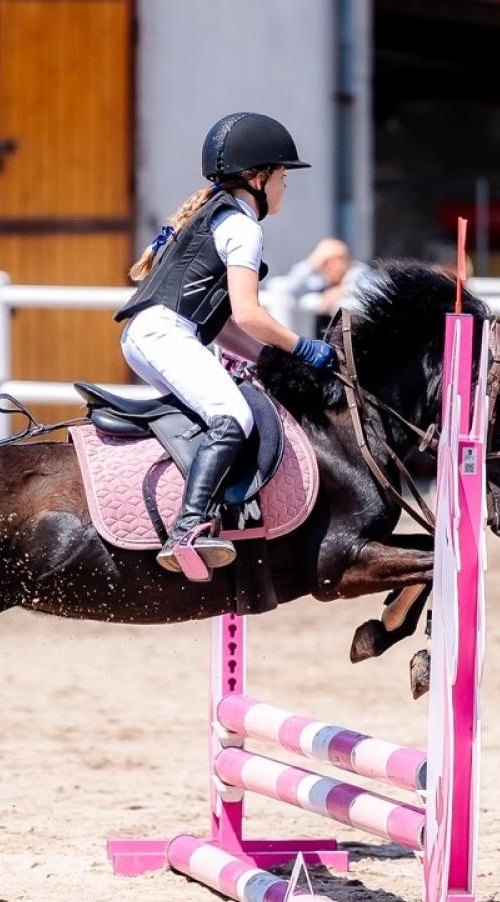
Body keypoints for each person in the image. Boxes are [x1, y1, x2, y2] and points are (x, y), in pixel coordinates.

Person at [114, 112, 335, 576]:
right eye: (283, 176)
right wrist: (302, 347)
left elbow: (226, 322)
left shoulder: (218, 215)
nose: (286, 186)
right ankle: (188, 528)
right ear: (258, 178)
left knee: (215, 413)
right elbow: (250, 313)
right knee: (231, 415)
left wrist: (267, 358)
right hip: (164, 335)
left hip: (153, 334)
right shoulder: (243, 227)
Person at [269, 237, 371, 316]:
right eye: (328, 260)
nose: (337, 264)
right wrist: (311, 263)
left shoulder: (359, 273)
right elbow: (288, 289)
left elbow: (371, 294)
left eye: (342, 258)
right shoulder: (320, 281)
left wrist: (343, 291)